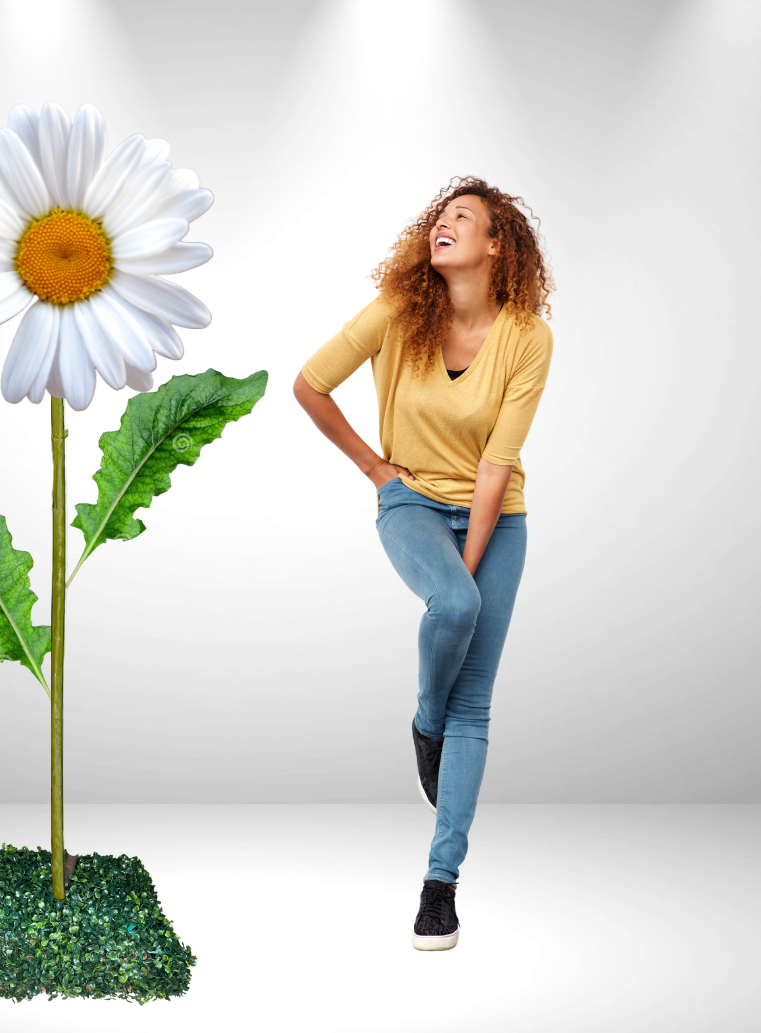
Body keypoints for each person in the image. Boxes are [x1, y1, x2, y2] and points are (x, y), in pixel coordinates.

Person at [293, 176, 555, 951]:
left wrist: (468, 570)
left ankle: (440, 886)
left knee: (475, 703)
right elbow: (309, 384)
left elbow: (495, 467)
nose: (443, 227)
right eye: (439, 219)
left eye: (462, 220)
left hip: (495, 516)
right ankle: (423, 719)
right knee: (456, 610)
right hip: (410, 504)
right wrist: (377, 470)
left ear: (496, 244)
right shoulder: (397, 312)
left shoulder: (528, 337)